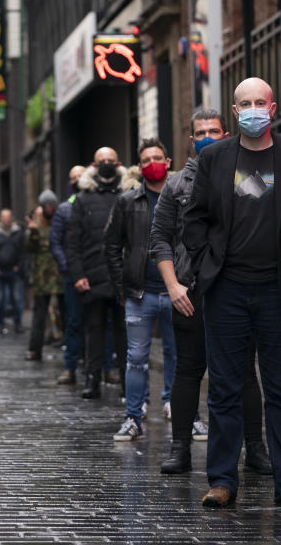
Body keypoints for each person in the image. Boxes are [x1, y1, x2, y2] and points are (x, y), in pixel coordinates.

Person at [183, 77, 281, 508]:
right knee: (225, 389)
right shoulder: (215, 159)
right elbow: (194, 220)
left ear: (273, 106)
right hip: (226, 290)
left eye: (259, 102)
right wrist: (207, 263)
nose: (252, 109)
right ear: (234, 112)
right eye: (244, 103)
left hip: (278, 291)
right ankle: (222, 480)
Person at [149, 108, 271, 474]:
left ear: (225, 132)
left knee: (245, 372)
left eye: (214, 131)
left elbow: (264, 221)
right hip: (191, 291)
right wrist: (172, 286)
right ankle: (180, 449)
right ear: (190, 139)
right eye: (200, 131)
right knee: (188, 370)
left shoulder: (246, 174)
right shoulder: (175, 184)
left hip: (236, 287)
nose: (207, 137)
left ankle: (256, 448)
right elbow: (160, 239)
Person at [104, 138, 177, 441]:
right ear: (139, 166)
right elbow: (111, 246)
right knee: (136, 358)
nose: (152, 164)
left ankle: (182, 410)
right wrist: (123, 288)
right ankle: (134, 415)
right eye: (145, 160)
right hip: (140, 293)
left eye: (157, 158)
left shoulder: (182, 196)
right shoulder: (127, 201)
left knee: (180, 355)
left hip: (177, 292)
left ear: (168, 162)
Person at [65, 147, 127, 400]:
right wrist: (78, 274)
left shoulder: (130, 194)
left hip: (123, 276)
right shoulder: (82, 199)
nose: (106, 165)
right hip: (92, 275)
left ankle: (127, 382)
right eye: (102, 161)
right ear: (93, 164)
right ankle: (92, 379)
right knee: (94, 329)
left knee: (125, 332)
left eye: (110, 161)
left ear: (118, 163)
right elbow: (73, 242)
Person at [49, 165, 87, 384]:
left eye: (80, 176)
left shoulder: (98, 202)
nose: (77, 180)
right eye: (73, 178)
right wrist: (69, 269)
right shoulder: (64, 209)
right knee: (73, 322)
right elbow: (56, 243)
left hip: (96, 273)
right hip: (72, 275)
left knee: (104, 323)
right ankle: (70, 366)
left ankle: (105, 367)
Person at [25, 192, 65, 361]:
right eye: (46, 206)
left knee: (67, 313)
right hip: (42, 277)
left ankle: (72, 348)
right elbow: (29, 248)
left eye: (51, 206)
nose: (49, 209)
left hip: (61, 275)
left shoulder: (61, 222)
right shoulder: (36, 226)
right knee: (39, 315)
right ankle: (35, 349)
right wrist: (33, 231)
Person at [0, 208, 27, 334]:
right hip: (0, 270)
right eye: (4, 216)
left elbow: (23, 252)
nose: (6, 219)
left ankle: (18, 323)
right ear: (0, 218)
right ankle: (0, 323)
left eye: (8, 216)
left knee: (17, 298)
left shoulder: (18, 233)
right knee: (1, 298)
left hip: (14, 270)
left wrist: (19, 266)